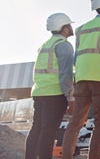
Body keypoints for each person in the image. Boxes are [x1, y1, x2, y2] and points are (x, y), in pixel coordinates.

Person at [61, 0, 100, 159]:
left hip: (81, 79)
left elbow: (76, 59)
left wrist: (77, 79)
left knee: (75, 122)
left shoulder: (81, 29)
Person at [25, 13, 75, 159]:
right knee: (48, 132)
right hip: (55, 94)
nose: (71, 28)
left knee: (36, 130)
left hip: (40, 92)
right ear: (64, 28)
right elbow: (66, 74)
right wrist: (70, 97)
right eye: (69, 25)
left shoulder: (45, 46)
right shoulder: (64, 45)